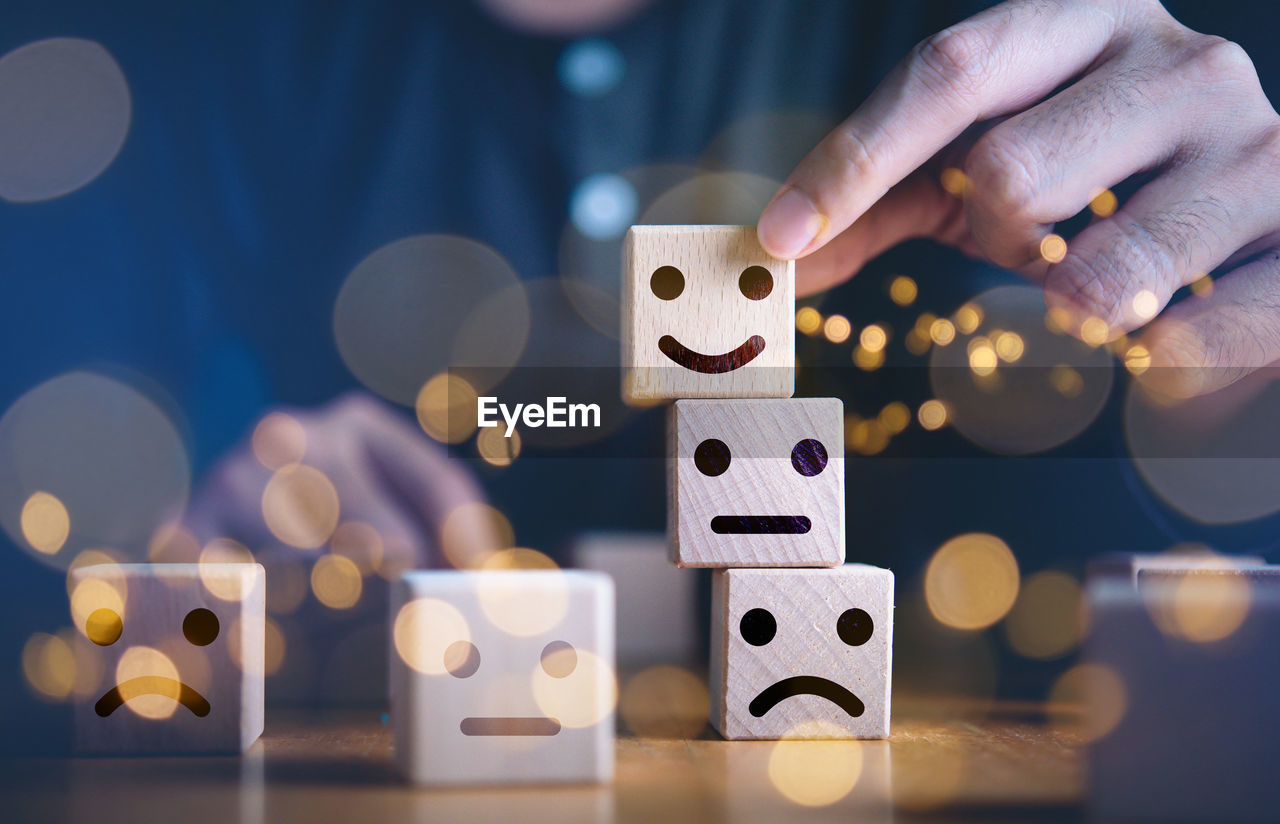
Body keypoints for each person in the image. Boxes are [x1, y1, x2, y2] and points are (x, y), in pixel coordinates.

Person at [2, 0, 1277, 732]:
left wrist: (1240, 364)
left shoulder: (1018, 37)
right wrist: (167, 558)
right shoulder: (149, 54)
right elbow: (63, 545)